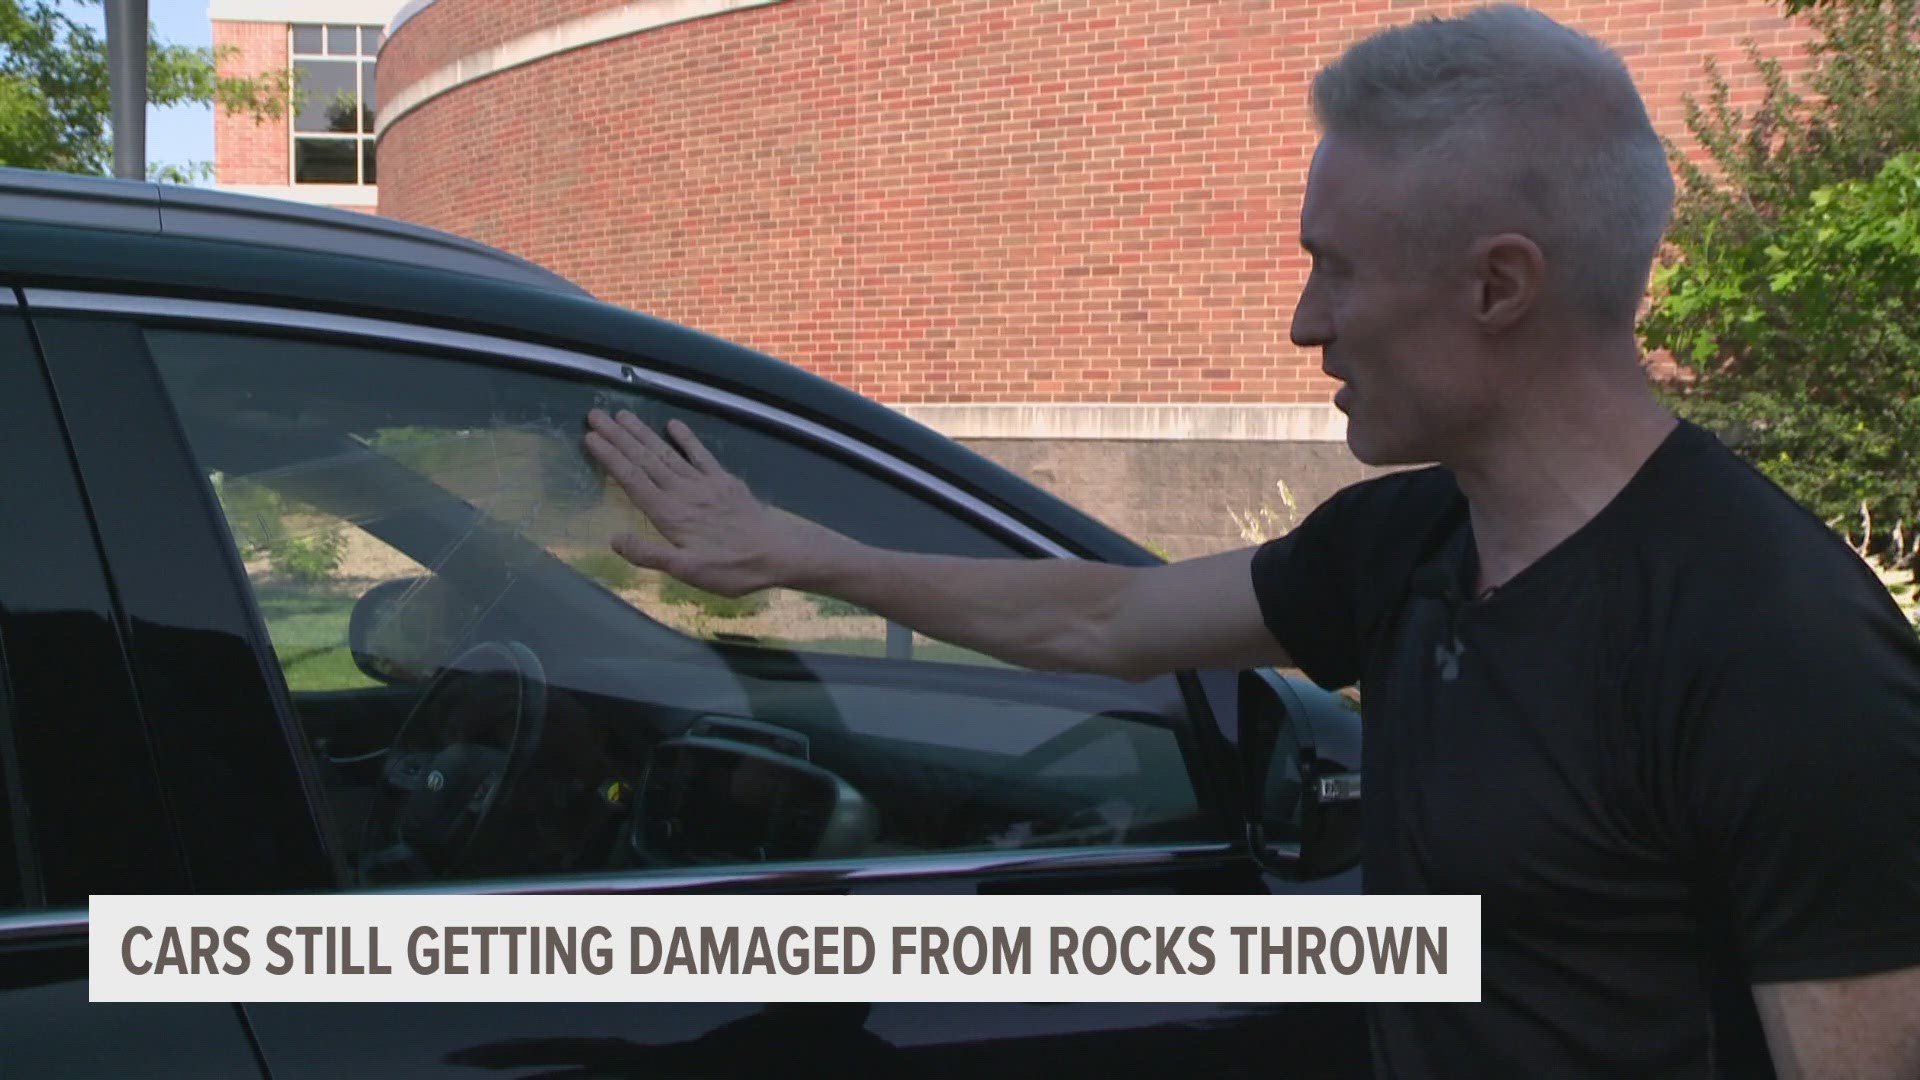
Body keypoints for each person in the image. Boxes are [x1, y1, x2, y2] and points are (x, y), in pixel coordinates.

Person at [582, 5, 1920, 1076]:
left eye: (1336, 266)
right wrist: (795, 551)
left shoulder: (1773, 643)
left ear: (1498, 286)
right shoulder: (1406, 543)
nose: (1302, 323)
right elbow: (1101, 622)